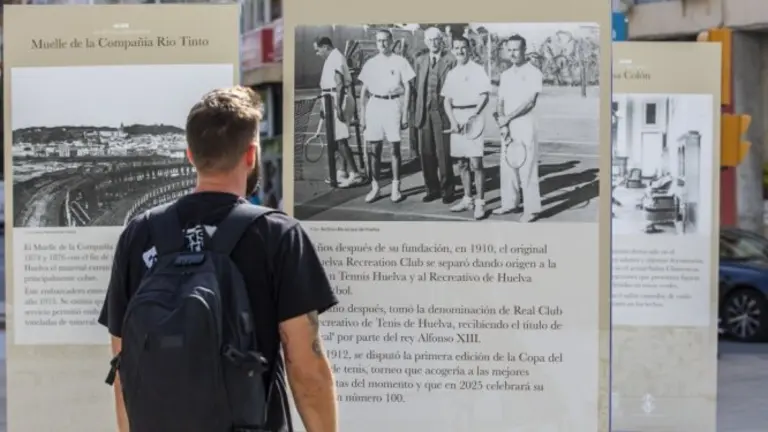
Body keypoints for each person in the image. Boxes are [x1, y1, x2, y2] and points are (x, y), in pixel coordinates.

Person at [98, 86, 338, 432]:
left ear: (190, 156)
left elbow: (125, 365)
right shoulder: (278, 235)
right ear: (251, 155)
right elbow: (307, 368)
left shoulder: (139, 234)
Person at [358, 28, 415, 203]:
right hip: (375, 105)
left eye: (385, 40)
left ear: (391, 42)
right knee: (374, 149)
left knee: (394, 149)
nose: (382, 44)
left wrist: (405, 114)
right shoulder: (371, 63)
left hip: (393, 105)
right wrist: (362, 113)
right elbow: (363, 92)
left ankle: (396, 188)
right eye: (379, 41)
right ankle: (376, 187)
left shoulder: (401, 62)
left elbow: (408, 89)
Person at [441, 36, 491, 220]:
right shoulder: (451, 73)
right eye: (457, 47)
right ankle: (467, 198)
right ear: (453, 50)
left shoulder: (477, 70)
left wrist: (472, 117)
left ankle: (480, 203)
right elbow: (446, 101)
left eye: (463, 47)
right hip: (456, 117)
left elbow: (484, 96)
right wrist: (453, 121)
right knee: (461, 163)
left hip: (473, 117)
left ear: (469, 49)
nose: (460, 50)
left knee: (476, 163)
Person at [494, 34, 543, 222]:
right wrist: (502, 120)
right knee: (507, 166)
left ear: (524, 50)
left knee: (527, 167)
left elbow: (530, 102)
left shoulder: (534, 72)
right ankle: (509, 203)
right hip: (507, 126)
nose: (513, 53)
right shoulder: (505, 75)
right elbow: (500, 100)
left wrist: (508, 118)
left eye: (516, 49)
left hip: (525, 125)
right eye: (510, 49)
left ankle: (531, 209)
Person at [413, 27, 456, 204]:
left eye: (436, 39)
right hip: (424, 112)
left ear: (442, 41)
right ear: (425, 41)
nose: (433, 43)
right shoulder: (420, 60)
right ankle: (432, 188)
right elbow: (416, 89)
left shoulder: (451, 60)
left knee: (443, 153)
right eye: (429, 40)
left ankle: (448, 190)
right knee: (426, 153)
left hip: (442, 113)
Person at [314, 36, 363, 187]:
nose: (317, 54)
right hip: (331, 99)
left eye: (318, 50)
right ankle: (343, 171)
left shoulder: (335, 57)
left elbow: (340, 84)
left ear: (325, 47)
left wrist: (338, 106)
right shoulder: (333, 58)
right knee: (337, 138)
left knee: (341, 139)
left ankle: (355, 174)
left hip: (338, 99)